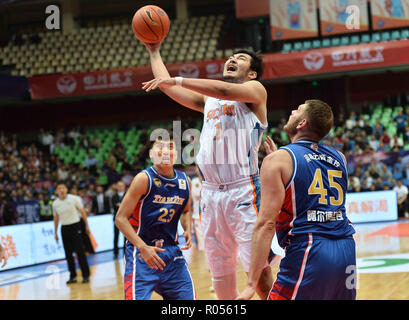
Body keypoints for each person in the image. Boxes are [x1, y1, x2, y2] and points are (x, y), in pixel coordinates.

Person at [142, 44, 276, 300]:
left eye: (241, 58)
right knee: (221, 273)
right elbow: (167, 86)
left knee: (259, 274)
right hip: (211, 195)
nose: (232, 59)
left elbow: (225, 89)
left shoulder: (256, 91)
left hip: (243, 191)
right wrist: (154, 51)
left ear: (252, 74)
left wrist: (178, 78)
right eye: (231, 56)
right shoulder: (209, 99)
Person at [238, 100, 356, 300]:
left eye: (298, 109)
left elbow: (266, 223)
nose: (292, 111)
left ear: (302, 124)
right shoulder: (340, 158)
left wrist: (251, 284)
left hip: (311, 249)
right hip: (346, 250)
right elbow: (307, 181)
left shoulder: (279, 161)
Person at [115, 138, 195, 300]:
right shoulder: (143, 179)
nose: (165, 151)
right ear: (152, 155)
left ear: (176, 154)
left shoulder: (185, 182)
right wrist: (142, 247)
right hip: (142, 254)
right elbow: (120, 219)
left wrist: (187, 228)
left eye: (170, 147)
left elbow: (186, 212)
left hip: (172, 255)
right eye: (160, 147)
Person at [53, 183, 91, 284]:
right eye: (59, 188)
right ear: (56, 191)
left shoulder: (74, 199)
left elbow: (82, 212)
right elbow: (56, 218)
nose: (61, 190)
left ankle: (86, 275)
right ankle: (72, 276)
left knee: (80, 252)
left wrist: (87, 226)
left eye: (63, 188)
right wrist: (55, 232)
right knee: (68, 253)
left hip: (75, 225)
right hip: (64, 228)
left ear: (66, 189)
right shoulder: (55, 203)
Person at [112, 180, 126, 258]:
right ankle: (115, 252)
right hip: (116, 218)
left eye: (121, 186)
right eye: (119, 186)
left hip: (126, 219)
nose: (120, 187)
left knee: (126, 236)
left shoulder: (127, 194)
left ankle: (125, 252)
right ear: (117, 187)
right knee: (116, 236)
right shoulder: (114, 196)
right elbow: (114, 207)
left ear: (124, 187)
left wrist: (120, 205)